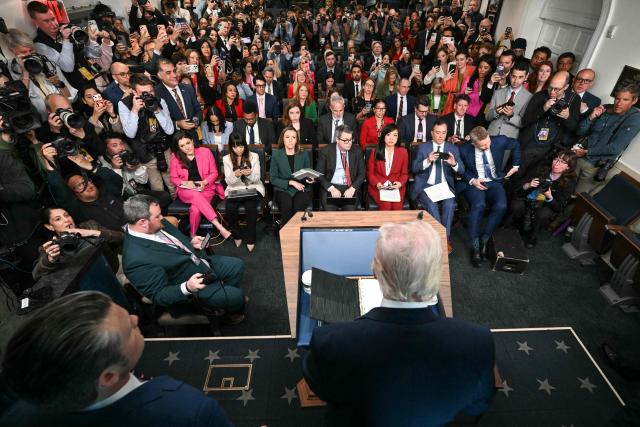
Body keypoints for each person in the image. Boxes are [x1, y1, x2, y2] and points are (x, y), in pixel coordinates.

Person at [303, 220, 496, 427]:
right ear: (435, 274)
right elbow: (478, 405)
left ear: (375, 270)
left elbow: (321, 389)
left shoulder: (330, 341)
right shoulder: (478, 341)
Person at [0, 292, 234, 427]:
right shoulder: (186, 409)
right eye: (128, 329)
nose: (135, 319)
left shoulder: (15, 416)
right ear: (109, 376)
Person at [122, 194, 246, 321]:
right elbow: (159, 296)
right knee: (237, 297)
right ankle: (227, 310)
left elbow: (173, 242)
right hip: (190, 289)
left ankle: (225, 302)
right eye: (158, 216)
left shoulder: (154, 224)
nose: (163, 218)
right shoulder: (135, 260)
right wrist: (187, 287)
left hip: (198, 263)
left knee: (237, 266)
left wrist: (190, 243)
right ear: (142, 222)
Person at [33, 207, 129, 308]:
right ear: (50, 226)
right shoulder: (51, 247)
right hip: (92, 287)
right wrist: (50, 259)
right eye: (58, 219)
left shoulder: (89, 225)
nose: (66, 220)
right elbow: (36, 274)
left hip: (115, 269)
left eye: (66, 215)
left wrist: (92, 233)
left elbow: (121, 238)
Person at [457, 126, 521, 268]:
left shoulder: (500, 140)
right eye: (482, 145)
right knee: (478, 205)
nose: (486, 146)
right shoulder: (463, 149)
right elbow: (461, 170)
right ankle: (475, 246)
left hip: (494, 181)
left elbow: (516, 144)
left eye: (488, 142)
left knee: (501, 206)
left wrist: (516, 164)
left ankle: (484, 240)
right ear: (473, 143)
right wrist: (472, 180)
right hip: (475, 182)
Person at [514, 71, 580, 185]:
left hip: (549, 149)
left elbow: (574, 128)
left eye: (557, 89)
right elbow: (524, 121)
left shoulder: (574, 99)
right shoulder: (540, 95)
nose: (552, 92)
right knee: (515, 174)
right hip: (529, 144)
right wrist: (543, 108)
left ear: (566, 87)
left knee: (532, 179)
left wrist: (567, 117)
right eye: (550, 87)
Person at [573, 85, 640, 194]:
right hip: (577, 157)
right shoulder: (605, 108)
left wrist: (587, 152)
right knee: (563, 189)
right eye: (617, 98)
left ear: (634, 100)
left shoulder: (635, 119)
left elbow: (615, 148)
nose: (619, 103)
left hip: (594, 166)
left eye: (625, 100)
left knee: (578, 197)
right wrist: (591, 117)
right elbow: (579, 131)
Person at [504, 151, 578, 248]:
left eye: (562, 162)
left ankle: (532, 236)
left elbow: (558, 207)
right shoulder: (541, 169)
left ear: (568, 167)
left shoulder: (569, 183)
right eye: (556, 159)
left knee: (543, 214)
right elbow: (518, 188)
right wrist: (528, 185)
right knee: (516, 205)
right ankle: (507, 226)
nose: (556, 164)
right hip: (528, 198)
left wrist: (549, 196)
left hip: (544, 205)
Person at [119, 74, 176, 197]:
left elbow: (170, 130)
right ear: (134, 92)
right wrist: (134, 110)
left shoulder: (160, 101)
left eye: (151, 91)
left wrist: (156, 110)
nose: (149, 95)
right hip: (145, 151)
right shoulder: (124, 104)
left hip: (164, 147)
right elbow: (130, 133)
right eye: (144, 93)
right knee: (157, 188)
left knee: (173, 183)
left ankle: (181, 212)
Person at [411, 120, 463, 252]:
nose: (440, 136)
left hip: (444, 187)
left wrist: (453, 164)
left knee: (450, 204)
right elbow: (414, 168)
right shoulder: (423, 148)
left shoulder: (453, 149)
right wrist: (427, 160)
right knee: (432, 205)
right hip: (426, 186)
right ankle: (443, 240)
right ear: (432, 133)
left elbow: (462, 170)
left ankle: (441, 239)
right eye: (438, 133)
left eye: (444, 133)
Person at [169, 131, 229, 239]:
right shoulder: (175, 158)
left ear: (192, 141)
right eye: (182, 146)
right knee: (195, 195)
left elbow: (214, 172)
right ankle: (219, 226)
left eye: (188, 143)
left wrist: (204, 182)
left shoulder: (205, 152)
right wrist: (185, 182)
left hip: (205, 188)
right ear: (179, 148)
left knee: (195, 209)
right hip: (186, 191)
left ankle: (193, 235)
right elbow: (173, 178)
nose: (187, 147)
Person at [223, 132, 265, 253]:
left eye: (241, 146)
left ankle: (251, 239)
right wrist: (235, 175)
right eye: (235, 147)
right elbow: (229, 182)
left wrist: (250, 173)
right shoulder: (226, 159)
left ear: (245, 145)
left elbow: (257, 179)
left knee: (250, 207)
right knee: (230, 208)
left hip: (253, 187)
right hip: (235, 189)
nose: (238, 150)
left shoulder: (254, 156)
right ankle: (237, 235)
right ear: (231, 147)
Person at [269, 126, 314, 225]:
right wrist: (291, 182)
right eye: (287, 137)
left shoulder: (304, 154)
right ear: (282, 139)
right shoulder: (276, 155)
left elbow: (307, 174)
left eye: (293, 137)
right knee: (286, 206)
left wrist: (309, 179)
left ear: (297, 140)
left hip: (301, 189)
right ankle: (287, 236)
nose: (290, 140)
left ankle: (297, 235)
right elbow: (273, 179)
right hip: (283, 189)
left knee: (297, 208)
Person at [317, 124, 366, 211]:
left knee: (349, 215)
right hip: (331, 186)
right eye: (346, 140)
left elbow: (362, 174)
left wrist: (352, 188)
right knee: (330, 214)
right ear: (337, 140)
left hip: (350, 186)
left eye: (351, 140)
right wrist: (331, 188)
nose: (349, 143)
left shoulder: (357, 151)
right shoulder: (326, 151)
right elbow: (319, 174)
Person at [155, 59, 202, 141]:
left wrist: (196, 120)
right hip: (173, 141)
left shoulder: (188, 88)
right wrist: (177, 124)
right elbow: (157, 121)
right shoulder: (156, 93)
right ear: (160, 75)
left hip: (193, 137)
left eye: (174, 71)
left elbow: (198, 109)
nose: (174, 75)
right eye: (168, 73)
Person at [367, 124, 409, 211]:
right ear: (383, 136)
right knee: (386, 205)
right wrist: (377, 183)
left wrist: (400, 183)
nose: (391, 138)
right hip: (379, 186)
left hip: (395, 186)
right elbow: (370, 173)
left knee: (397, 206)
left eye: (395, 135)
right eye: (388, 135)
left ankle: (396, 225)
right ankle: (384, 225)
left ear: (398, 137)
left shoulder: (403, 152)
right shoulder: (375, 151)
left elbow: (404, 174)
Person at [486, 62, 532, 139]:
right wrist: (496, 112)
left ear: (526, 76)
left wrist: (511, 115)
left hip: (509, 138)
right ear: (510, 75)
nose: (516, 80)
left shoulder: (529, 97)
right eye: (514, 76)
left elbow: (524, 123)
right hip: (491, 135)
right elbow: (487, 117)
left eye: (520, 77)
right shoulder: (497, 92)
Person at [441, 51, 476, 116]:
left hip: (466, 101)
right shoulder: (453, 69)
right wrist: (445, 79)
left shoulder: (473, 70)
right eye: (457, 60)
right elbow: (445, 89)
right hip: (452, 101)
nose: (459, 62)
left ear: (467, 60)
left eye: (461, 59)